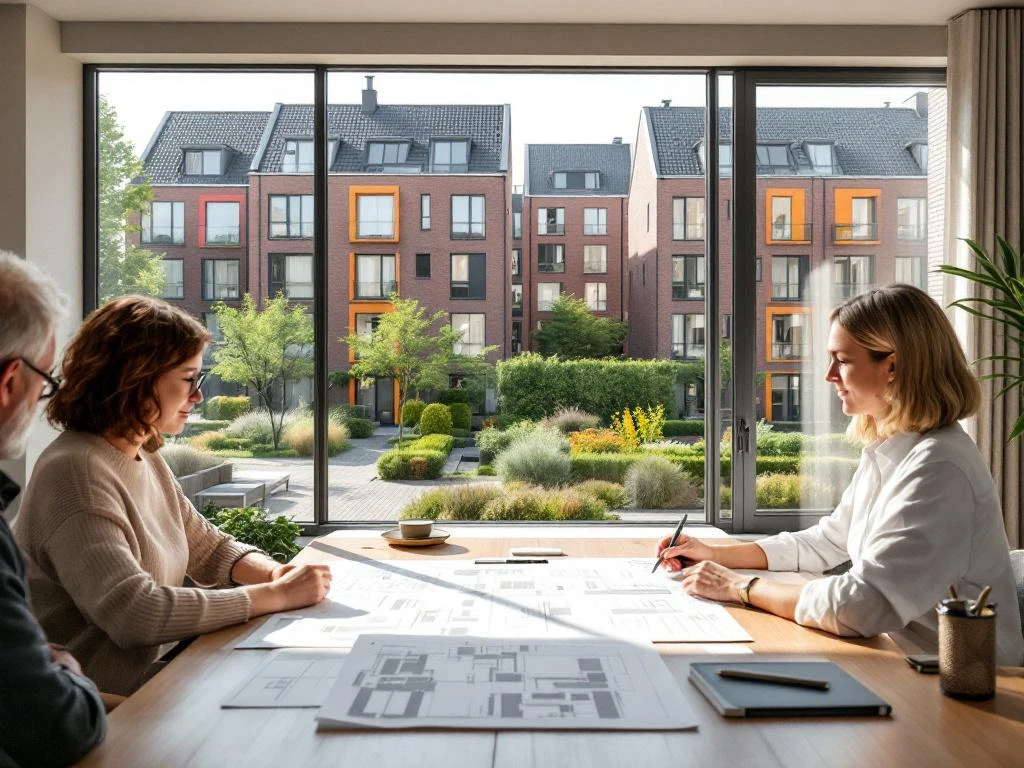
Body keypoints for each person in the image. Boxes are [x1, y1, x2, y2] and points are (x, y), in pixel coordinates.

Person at [658, 284, 1024, 666]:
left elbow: (861, 605)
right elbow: (826, 541)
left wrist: (741, 587)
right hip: (900, 661)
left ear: (893, 366)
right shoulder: (892, 449)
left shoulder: (940, 469)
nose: (830, 375)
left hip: (959, 688)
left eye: (843, 360)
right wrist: (716, 555)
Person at [13, 295, 332, 696]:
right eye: (188, 379)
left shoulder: (141, 454)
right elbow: (134, 613)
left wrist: (272, 572)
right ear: (136, 378)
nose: (198, 396)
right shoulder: (75, 472)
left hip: (151, 686)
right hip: (100, 709)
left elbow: (208, 548)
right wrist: (276, 595)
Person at [0, 251, 107, 767]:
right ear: (9, 383)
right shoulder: (77, 468)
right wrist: (64, 667)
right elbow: (54, 726)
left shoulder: (140, 458)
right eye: (44, 382)